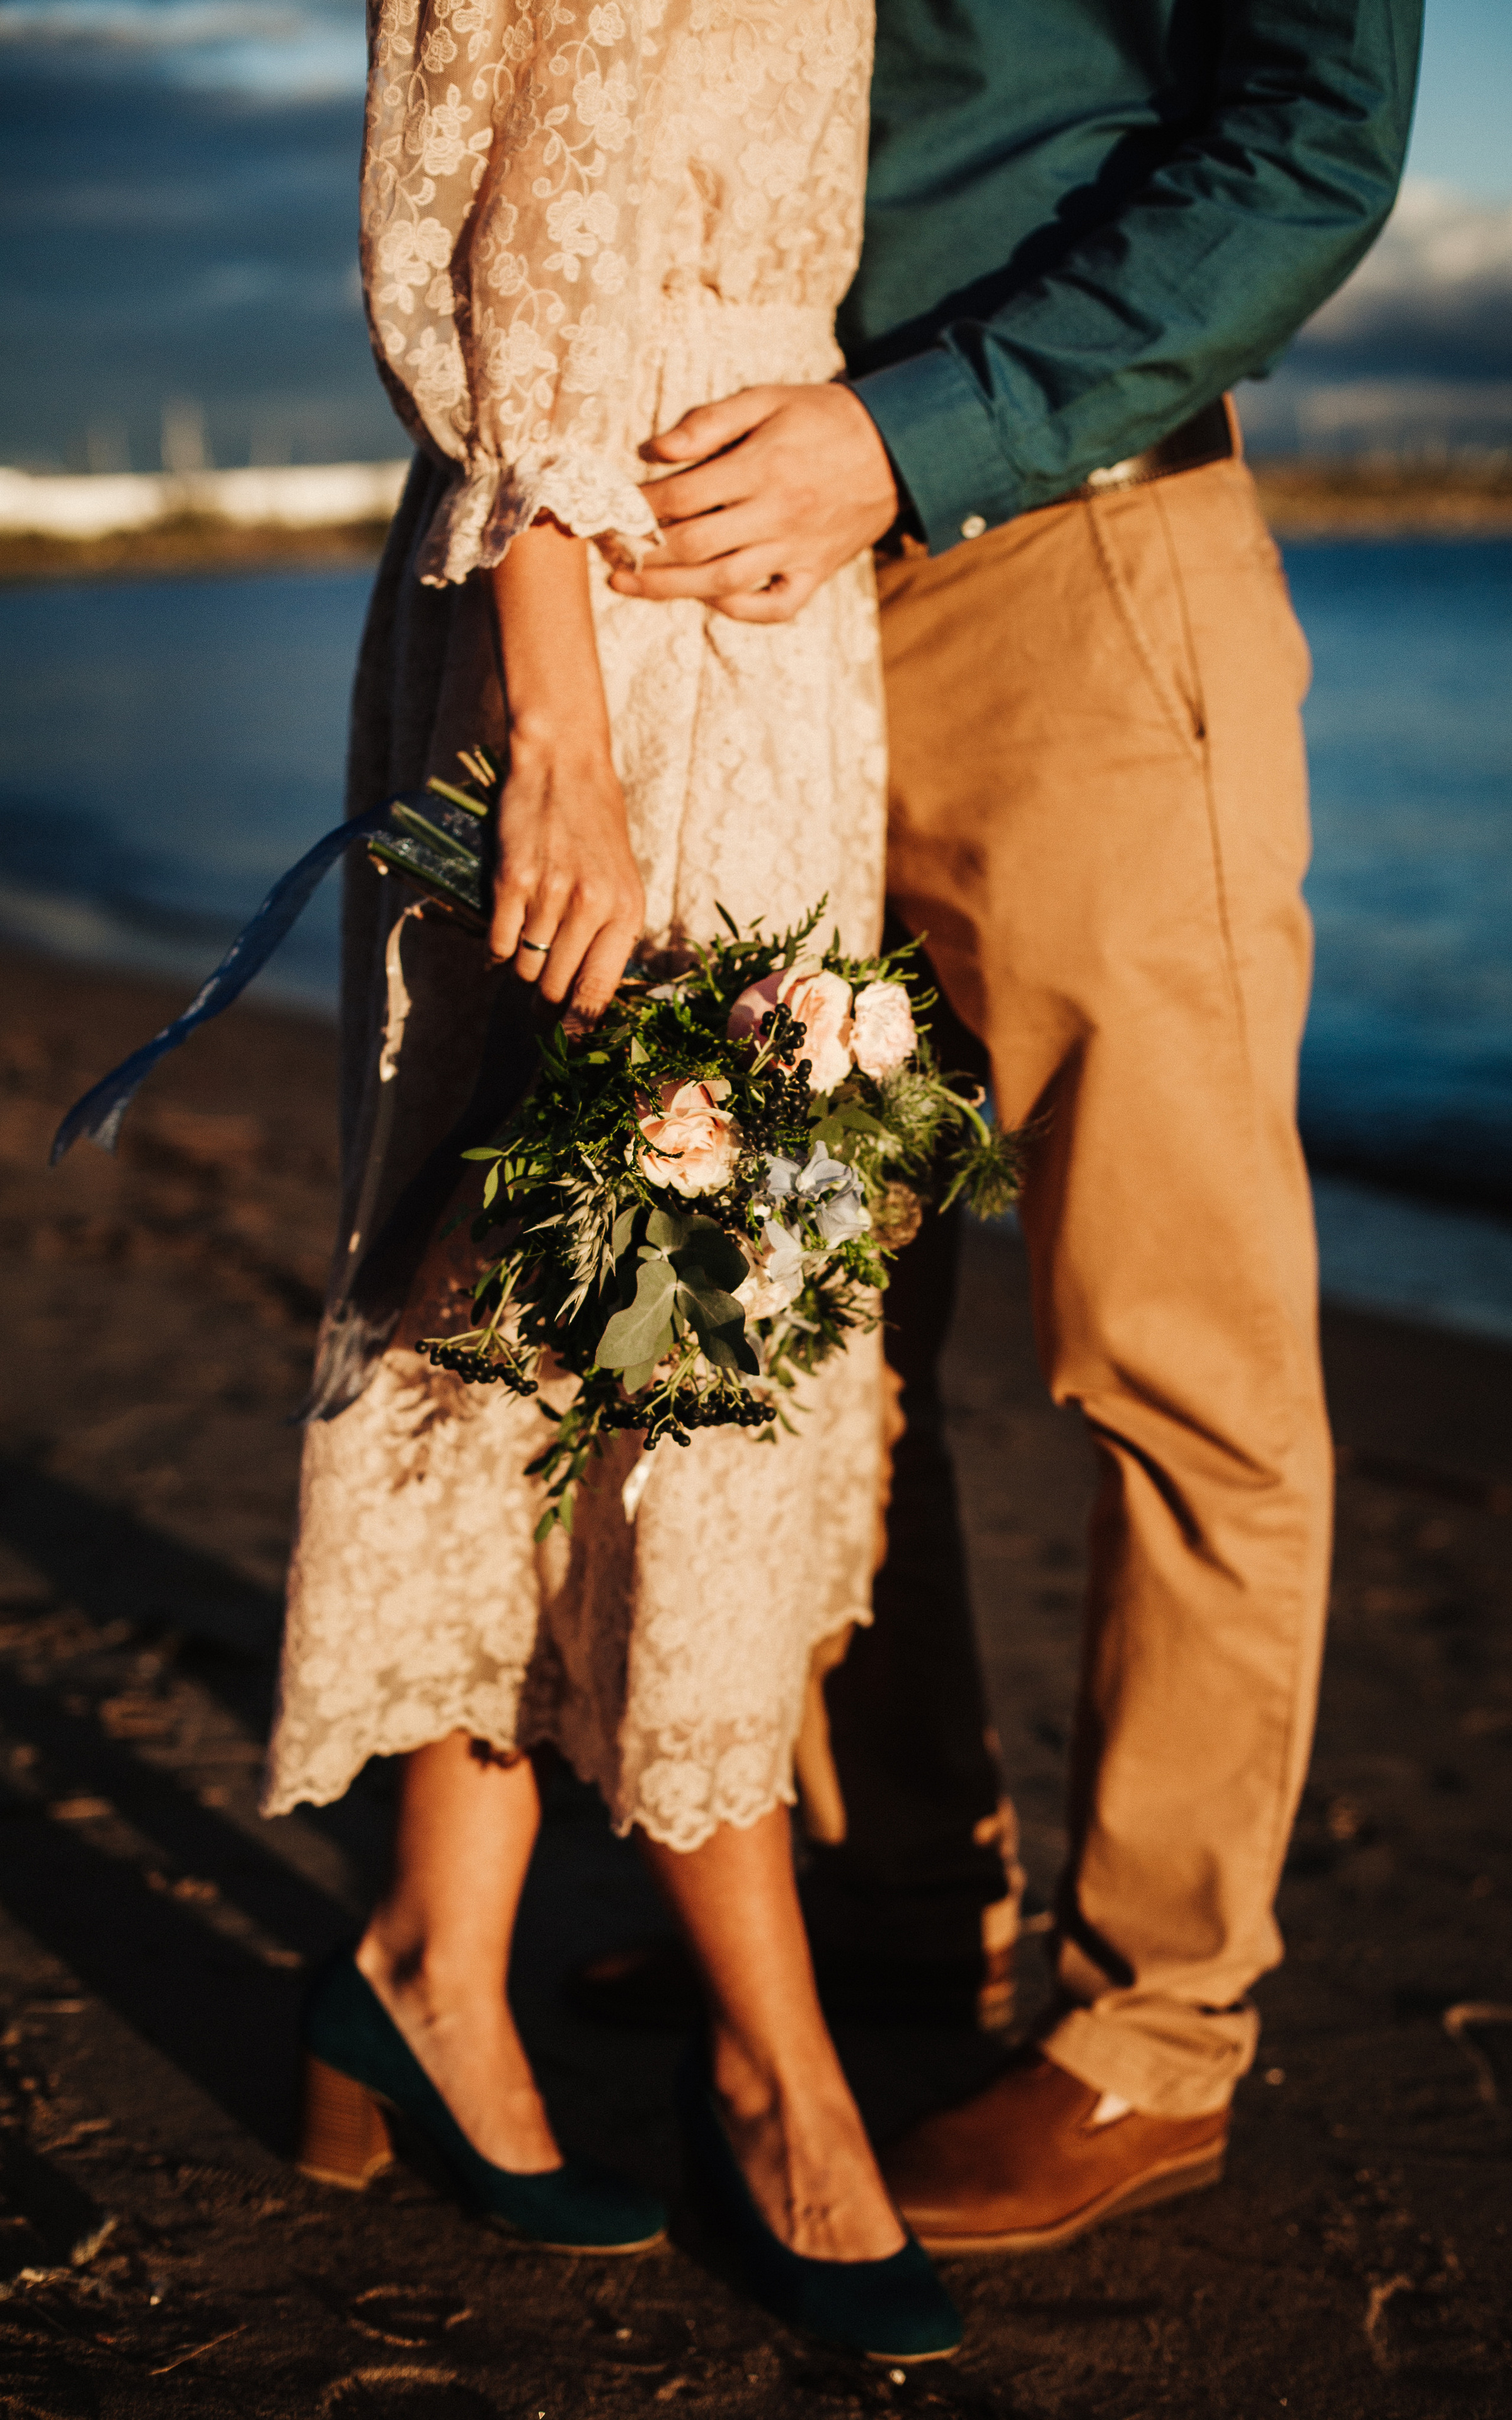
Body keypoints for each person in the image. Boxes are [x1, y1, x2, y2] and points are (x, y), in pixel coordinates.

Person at [597, 0, 1424, 2248]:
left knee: (1178, 1353)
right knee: (798, 1326)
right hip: (768, 628)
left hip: (1076, 567)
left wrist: (908, 435)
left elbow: (1319, 141)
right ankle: (891, 1907)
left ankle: (1158, 2033)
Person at [263, 0, 958, 2363]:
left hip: (762, 629)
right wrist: (555, 728)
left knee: (578, 1297)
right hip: (601, 628)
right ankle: (780, 2084)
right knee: (658, 1296)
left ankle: (430, 1965)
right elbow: (488, 233)